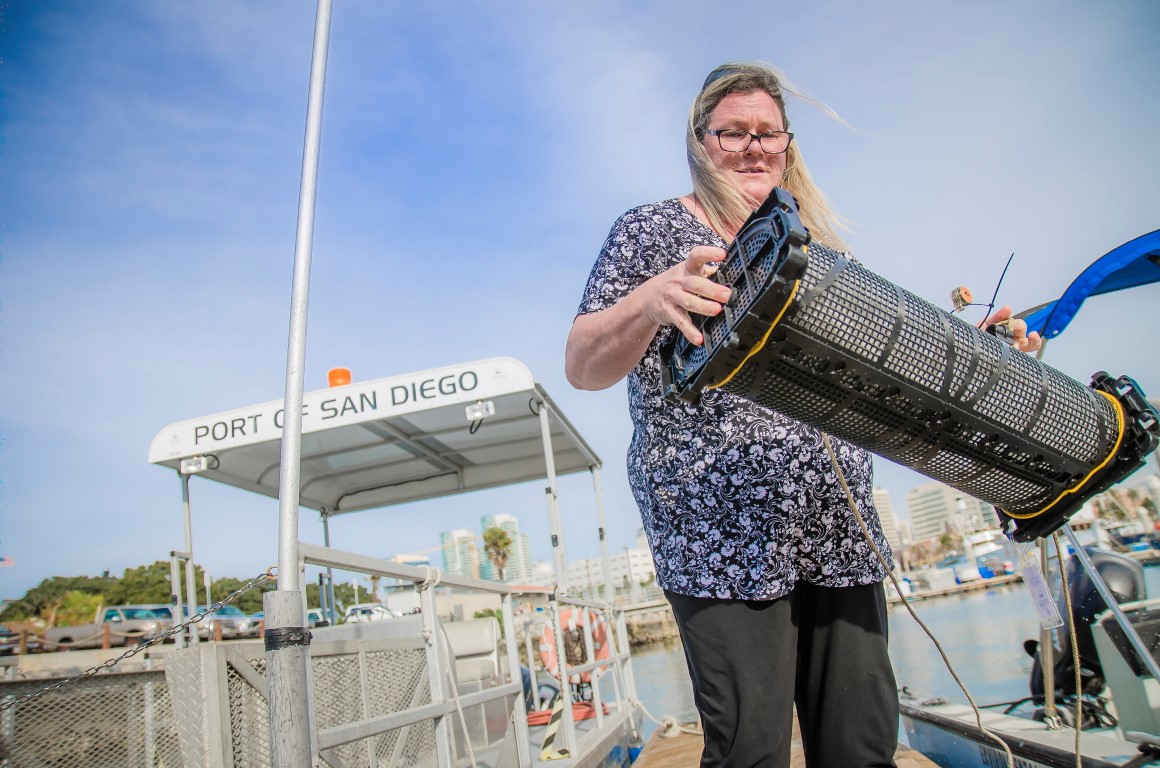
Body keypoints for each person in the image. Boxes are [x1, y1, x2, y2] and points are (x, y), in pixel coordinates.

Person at [565, 61, 1041, 767]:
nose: (754, 147)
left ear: (788, 144)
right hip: (720, 537)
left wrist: (985, 352)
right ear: (700, 140)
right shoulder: (651, 230)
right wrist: (652, 298)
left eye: (769, 133)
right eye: (734, 132)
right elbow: (581, 363)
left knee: (862, 746)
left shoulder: (818, 246)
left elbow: (888, 366)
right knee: (751, 751)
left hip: (838, 528)